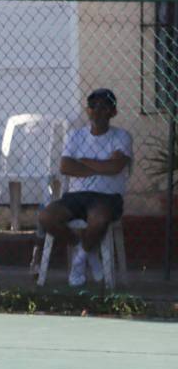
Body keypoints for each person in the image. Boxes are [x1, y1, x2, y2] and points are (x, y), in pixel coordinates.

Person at [38, 88, 132, 287]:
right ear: (87, 111)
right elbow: (65, 167)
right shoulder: (75, 135)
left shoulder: (122, 136)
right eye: (93, 106)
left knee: (99, 219)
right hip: (76, 196)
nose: (97, 111)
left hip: (107, 196)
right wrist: (102, 165)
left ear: (113, 112)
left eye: (103, 107)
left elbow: (116, 167)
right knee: (46, 217)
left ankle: (79, 262)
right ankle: (86, 251)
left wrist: (84, 162)